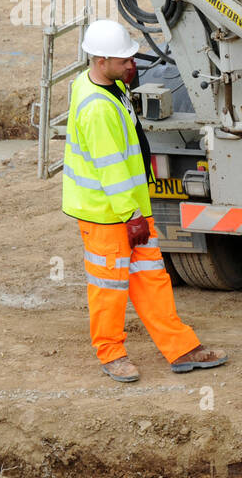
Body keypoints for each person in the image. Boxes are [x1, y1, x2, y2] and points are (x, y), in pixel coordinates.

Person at [63, 19, 227, 383]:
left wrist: (136, 212)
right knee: (109, 287)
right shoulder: (97, 108)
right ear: (101, 60)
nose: (132, 66)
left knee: (152, 278)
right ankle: (111, 354)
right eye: (125, 61)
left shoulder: (103, 84)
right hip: (108, 215)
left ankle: (180, 348)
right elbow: (111, 169)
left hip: (131, 210)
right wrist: (130, 215)